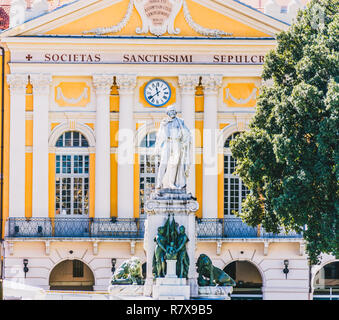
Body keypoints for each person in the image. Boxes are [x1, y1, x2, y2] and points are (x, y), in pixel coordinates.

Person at [154, 105, 192, 190]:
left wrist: (186, 138)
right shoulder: (164, 122)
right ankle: (159, 183)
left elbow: (186, 132)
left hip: (176, 143)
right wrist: (157, 147)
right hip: (167, 142)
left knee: (174, 164)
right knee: (163, 163)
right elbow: (159, 135)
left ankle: (171, 183)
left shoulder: (180, 121)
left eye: (174, 111)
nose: (173, 113)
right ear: (167, 113)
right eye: (171, 111)